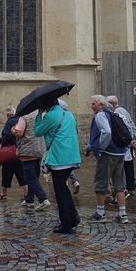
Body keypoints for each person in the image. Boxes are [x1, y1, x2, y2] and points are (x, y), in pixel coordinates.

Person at [34, 97, 81, 234]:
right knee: (64, 189)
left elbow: (37, 131)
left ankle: (66, 223)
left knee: (60, 192)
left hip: (59, 158)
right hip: (71, 156)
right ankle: (72, 217)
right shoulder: (69, 114)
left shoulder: (50, 116)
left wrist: (39, 115)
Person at [86, 94, 129, 224]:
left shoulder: (100, 115)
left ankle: (100, 213)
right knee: (119, 183)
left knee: (101, 182)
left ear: (101, 104)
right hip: (120, 153)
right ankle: (122, 214)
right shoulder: (113, 114)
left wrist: (100, 147)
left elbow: (107, 132)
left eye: (94, 104)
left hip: (108, 153)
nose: (92, 106)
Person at [11, 111, 50, 211]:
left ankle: (43, 199)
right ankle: (29, 199)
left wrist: (13, 129)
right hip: (39, 149)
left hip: (27, 150)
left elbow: (18, 132)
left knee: (30, 178)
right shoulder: (41, 115)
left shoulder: (24, 117)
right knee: (35, 175)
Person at [107, 95, 136, 195]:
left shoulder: (116, 113)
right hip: (128, 142)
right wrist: (133, 138)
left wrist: (129, 140)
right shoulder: (124, 111)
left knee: (122, 167)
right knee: (128, 166)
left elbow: (124, 128)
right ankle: (131, 188)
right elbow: (132, 125)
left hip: (123, 144)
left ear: (111, 104)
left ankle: (123, 189)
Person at [0, 105, 27, 201]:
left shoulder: (10, 122)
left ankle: (3, 193)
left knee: (6, 173)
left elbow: (6, 136)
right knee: (21, 172)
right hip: (20, 151)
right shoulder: (22, 120)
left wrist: (2, 141)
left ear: (8, 114)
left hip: (10, 152)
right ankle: (26, 193)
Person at [59, 99, 80, 194]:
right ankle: (75, 181)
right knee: (67, 166)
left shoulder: (58, 116)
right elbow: (76, 131)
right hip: (71, 144)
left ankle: (65, 185)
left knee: (61, 166)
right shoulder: (71, 116)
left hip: (61, 145)